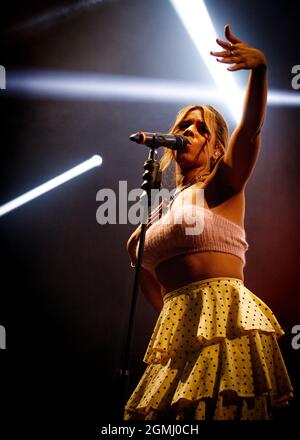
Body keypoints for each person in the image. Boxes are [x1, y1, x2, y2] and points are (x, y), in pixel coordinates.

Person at [124, 25, 293, 420]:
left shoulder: (222, 185)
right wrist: (171, 310)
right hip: (180, 333)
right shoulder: (161, 209)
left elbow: (249, 131)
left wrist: (261, 71)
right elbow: (139, 261)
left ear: (218, 148)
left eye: (200, 128)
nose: (187, 132)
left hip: (225, 320)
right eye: (183, 125)